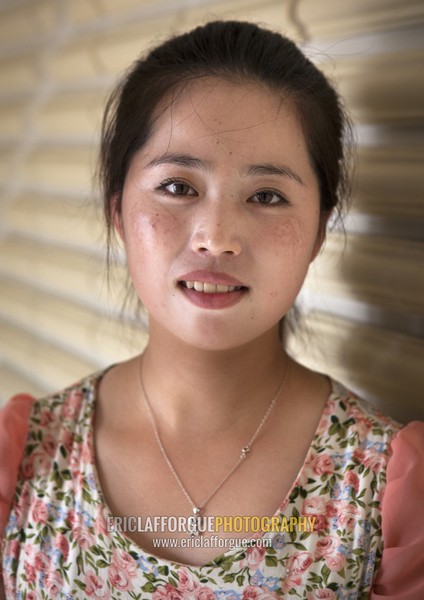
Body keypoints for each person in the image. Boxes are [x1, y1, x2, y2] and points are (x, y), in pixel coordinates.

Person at [0, 20, 423, 599]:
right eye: (178, 186)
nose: (216, 238)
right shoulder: (22, 458)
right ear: (118, 212)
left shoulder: (388, 493)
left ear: (320, 233)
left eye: (267, 196)